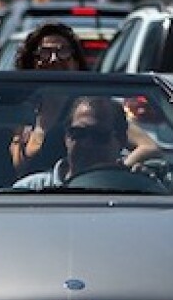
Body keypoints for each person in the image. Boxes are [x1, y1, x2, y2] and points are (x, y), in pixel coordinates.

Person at [9, 22, 160, 174]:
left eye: (63, 52)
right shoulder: (22, 115)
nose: (54, 60)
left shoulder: (87, 111)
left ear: (76, 63)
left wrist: (116, 172)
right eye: (44, 53)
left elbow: (149, 147)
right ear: (31, 63)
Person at [14, 96, 133, 189]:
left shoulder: (137, 190)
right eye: (78, 133)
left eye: (98, 135)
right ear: (66, 137)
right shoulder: (31, 189)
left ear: (121, 140)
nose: (87, 144)